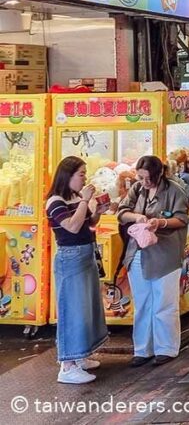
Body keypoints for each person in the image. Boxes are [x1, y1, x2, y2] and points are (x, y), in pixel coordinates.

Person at [117, 155, 189, 367]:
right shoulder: (137, 188)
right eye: (141, 178)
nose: (144, 182)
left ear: (160, 174)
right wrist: (136, 217)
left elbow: (182, 219)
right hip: (137, 253)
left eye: (149, 178)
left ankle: (166, 348)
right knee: (142, 303)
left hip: (165, 254)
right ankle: (142, 349)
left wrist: (161, 222)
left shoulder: (175, 191)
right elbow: (122, 212)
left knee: (164, 302)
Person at [46, 156, 109, 383]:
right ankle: (67, 366)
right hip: (70, 258)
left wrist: (98, 211)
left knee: (86, 308)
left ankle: (81, 355)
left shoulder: (74, 197)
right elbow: (71, 227)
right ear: (68, 175)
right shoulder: (55, 201)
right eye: (81, 174)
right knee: (72, 310)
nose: (84, 178)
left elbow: (87, 224)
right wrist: (85, 201)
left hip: (86, 253)